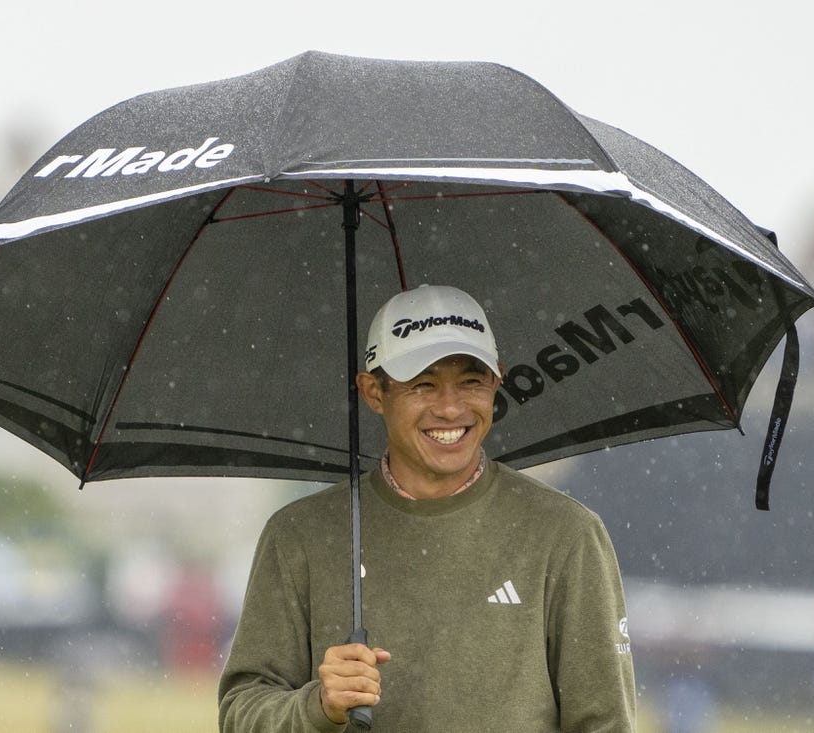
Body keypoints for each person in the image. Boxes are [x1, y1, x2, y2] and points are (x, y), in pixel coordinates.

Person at [218, 284, 636, 732]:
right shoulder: (299, 534)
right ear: (373, 392)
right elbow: (241, 712)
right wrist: (318, 707)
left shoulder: (567, 534)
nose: (451, 407)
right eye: (423, 384)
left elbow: (605, 723)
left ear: (498, 380)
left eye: (472, 381)